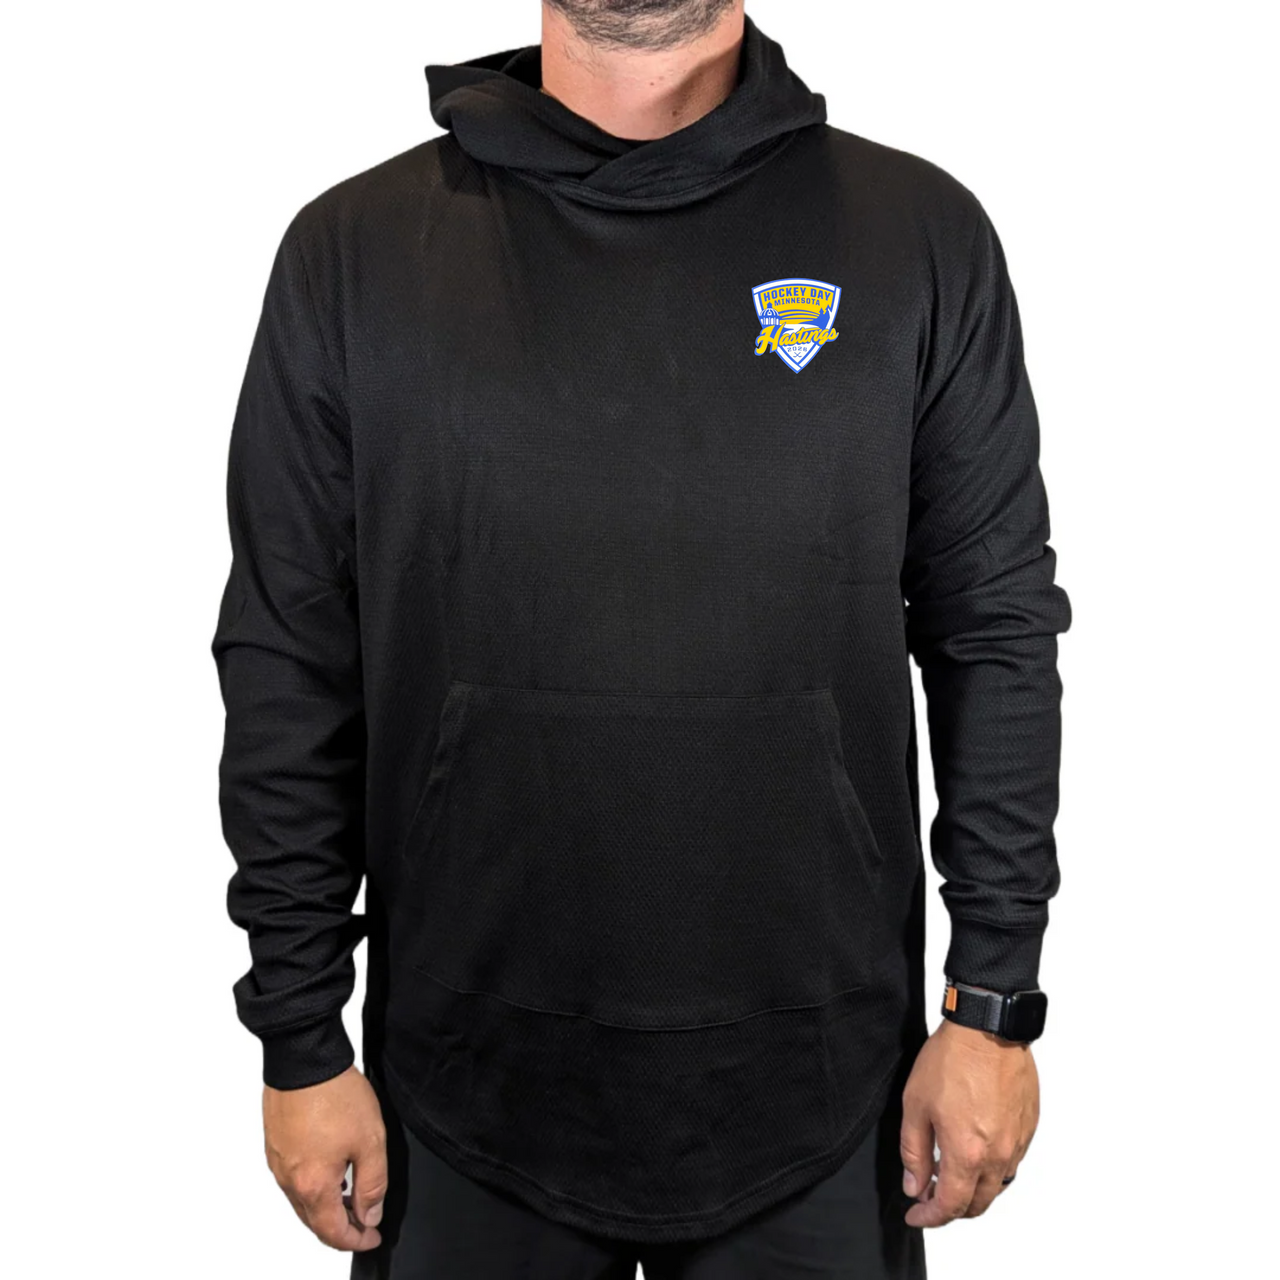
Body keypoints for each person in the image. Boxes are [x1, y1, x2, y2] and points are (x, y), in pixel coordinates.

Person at [211, 2, 1071, 1275]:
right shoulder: (355, 251)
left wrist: (990, 1003)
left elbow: (992, 628)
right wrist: (299, 1035)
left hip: (824, 1085)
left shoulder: (915, 236)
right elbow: (289, 654)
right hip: (456, 1086)